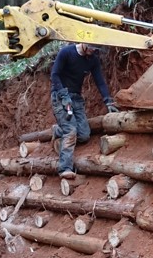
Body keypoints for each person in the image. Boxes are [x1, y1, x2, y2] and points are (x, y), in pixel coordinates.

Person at [51, 42, 119, 179]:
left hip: (76, 98)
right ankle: (65, 168)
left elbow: (99, 81)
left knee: (84, 135)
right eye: (92, 47)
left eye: (96, 49)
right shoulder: (66, 52)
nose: (93, 51)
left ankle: (58, 130)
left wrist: (108, 100)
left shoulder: (92, 59)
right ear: (84, 43)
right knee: (71, 132)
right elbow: (54, 75)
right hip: (60, 97)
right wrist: (63, 95)